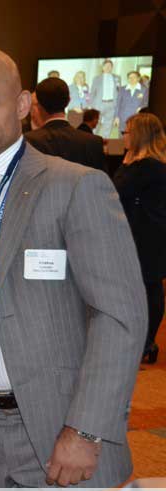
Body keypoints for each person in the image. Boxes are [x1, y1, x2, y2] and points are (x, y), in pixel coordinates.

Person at [0, 46, 146, 488]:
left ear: (24, 105)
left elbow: (119, 316)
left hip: (58, 428)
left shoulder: (76, 187)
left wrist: (86, 429)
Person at [113, 113, 166, 364]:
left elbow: (117, 189)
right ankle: (145, 341)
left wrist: (126, 163)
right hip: (147, 234)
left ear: (139, 135)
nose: (124, 136)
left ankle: (146, 342)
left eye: (127, 131)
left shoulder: (147, 166)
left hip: (146, 236)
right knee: (149, 286)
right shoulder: (148, 164)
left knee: (149, 287)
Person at [26, 77, 106, 173]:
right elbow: (101, 181)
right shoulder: (93, 143)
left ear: (39, 105)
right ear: (69, 101)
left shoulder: (29, 141)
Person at [90, 59, 121, 138]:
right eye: (106, 66)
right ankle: (93, 138)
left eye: (110, 66)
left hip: (112, 104)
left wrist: (118, 104)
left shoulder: (117, 78)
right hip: (99, 104)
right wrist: (91, 105)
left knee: (108, 124)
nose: (108, 67)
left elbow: (119, 91)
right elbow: (92, 92)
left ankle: (105, 140)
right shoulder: (97, 78)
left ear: (112, 67)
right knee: (96, 123)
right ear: (103, 67)